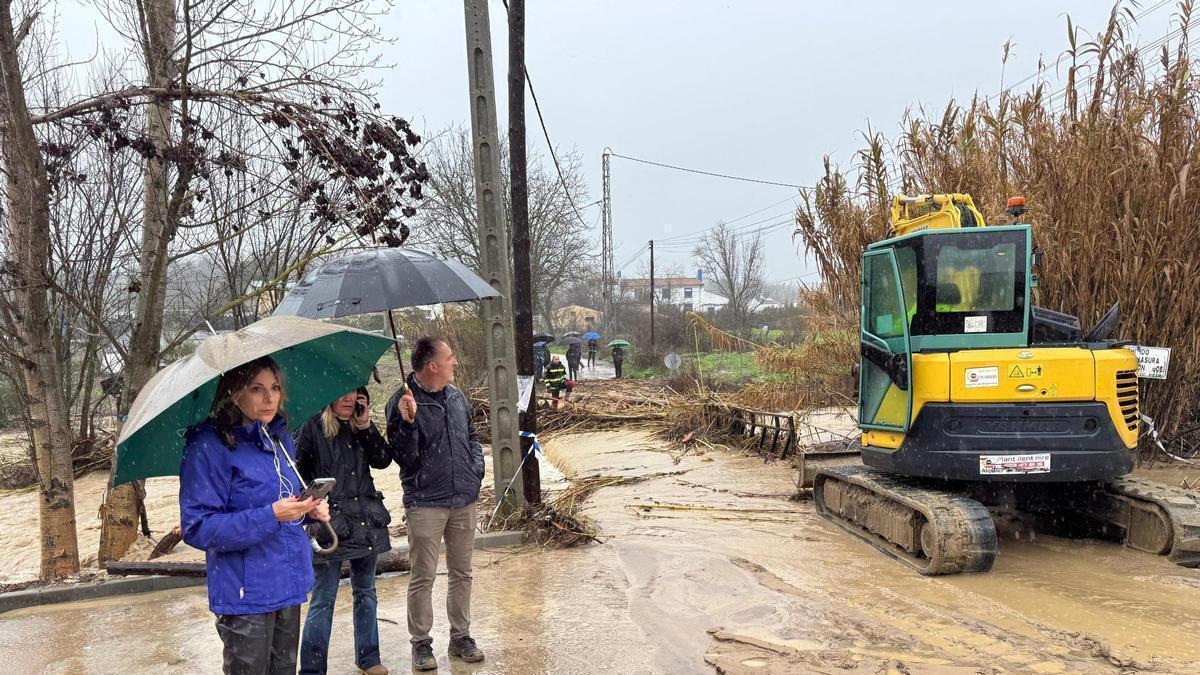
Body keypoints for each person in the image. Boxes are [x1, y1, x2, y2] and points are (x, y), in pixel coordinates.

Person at [180, 356, 329, 675]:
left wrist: (309, 512)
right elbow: (198, 527)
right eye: (256, 388)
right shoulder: (209, 445)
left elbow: (286, 503)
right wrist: (270, 515)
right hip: (245, 594)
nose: (269, 398)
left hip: (288, 583)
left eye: (275, 388)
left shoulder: (279, 437)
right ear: (234, 392)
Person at [385, 338, 486, 671]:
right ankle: (421, 644)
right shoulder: (402, 401)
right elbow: (403, 459)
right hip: (425, 502)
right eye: (450, 357)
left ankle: (461, 637)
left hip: (463, 498)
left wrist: (476, 470)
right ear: (432, 365)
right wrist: (408, 423)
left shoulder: (457, 397)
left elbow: (471, 437)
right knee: (423, 575)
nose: (454, 362)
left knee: (462, 572)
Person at [295, 387, 393, 675]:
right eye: (342, 394)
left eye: (354, 394)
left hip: (365, 521)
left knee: (366, 592)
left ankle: (369, 658)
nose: (349, 399)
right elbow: (297, 474)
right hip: (329, 524)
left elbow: (383, 459)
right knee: (323, 598)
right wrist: (311, 506)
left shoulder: (359, 425)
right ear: (329, 396)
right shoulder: (312, 426)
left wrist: (366, 428)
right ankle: (312, 669)